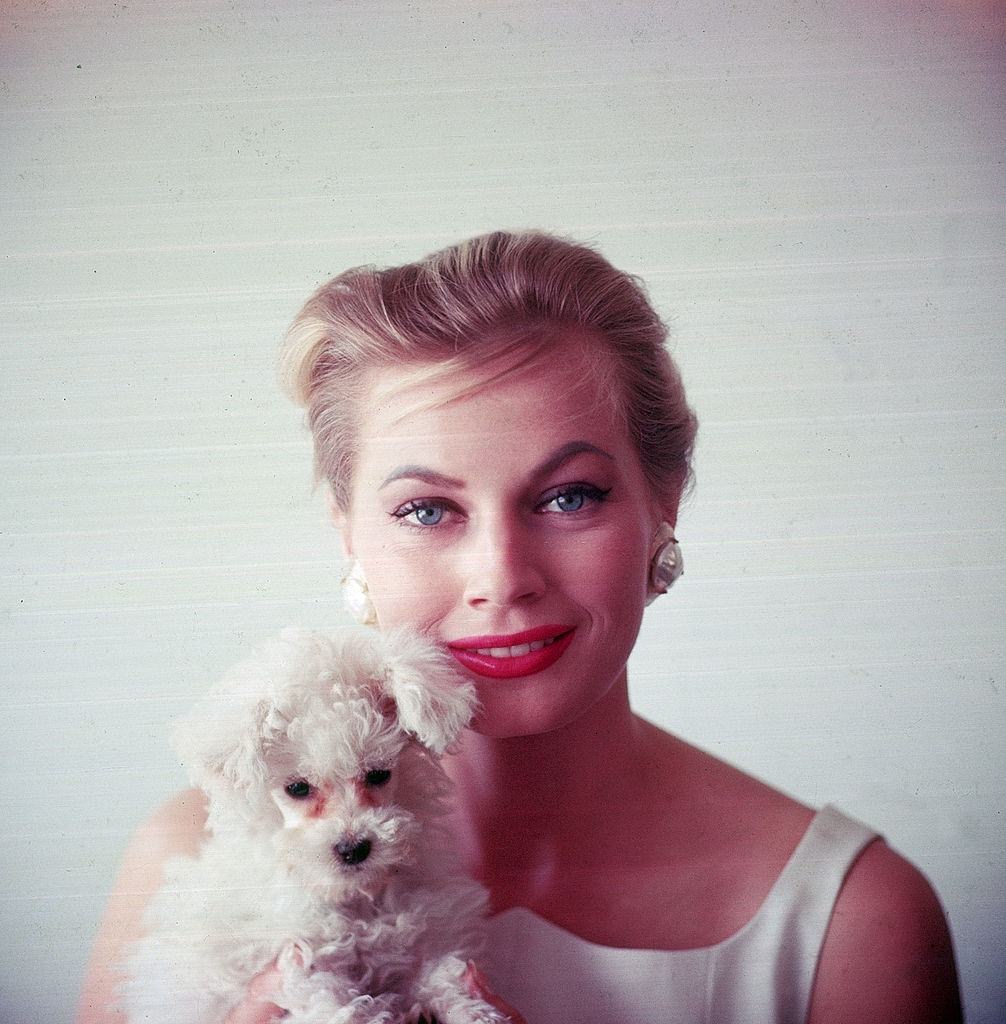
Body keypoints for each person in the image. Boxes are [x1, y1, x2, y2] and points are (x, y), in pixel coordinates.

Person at [78, 230, 963, 1024]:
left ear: (663, 505)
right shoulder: (185, 861)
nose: (501, 578)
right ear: (348, 533)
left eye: (569, 496)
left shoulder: (853, 923)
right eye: (426, 511)